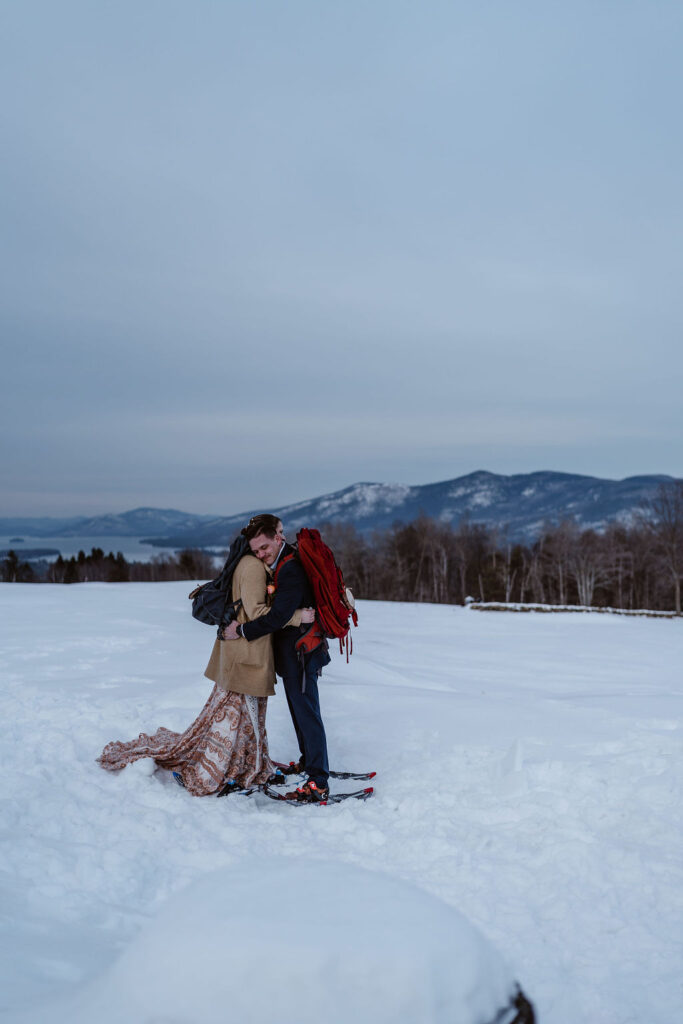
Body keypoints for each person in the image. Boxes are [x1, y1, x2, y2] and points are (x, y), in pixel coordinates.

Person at [97, 549, 312, 796]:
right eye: (270, 538)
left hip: (239, 653)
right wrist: (296, 616)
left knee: (237, 714)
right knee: (237, 715)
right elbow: (256, 613)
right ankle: (226, 768)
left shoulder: (245, 562)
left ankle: (244, 763)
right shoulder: (253, 566)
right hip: (246, 653)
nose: (277, 542)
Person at [222, 514, 332, 803]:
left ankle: (318, 780)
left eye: (264, 548)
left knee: (307, 713)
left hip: (302, 653)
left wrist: (242, 629)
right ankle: (309, 762)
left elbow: (278, 616)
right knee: (300, 710)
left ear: (278, 538)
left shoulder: (290, 569)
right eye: (256, 551)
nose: (260, 555)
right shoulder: (283, 563)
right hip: (296, 653)